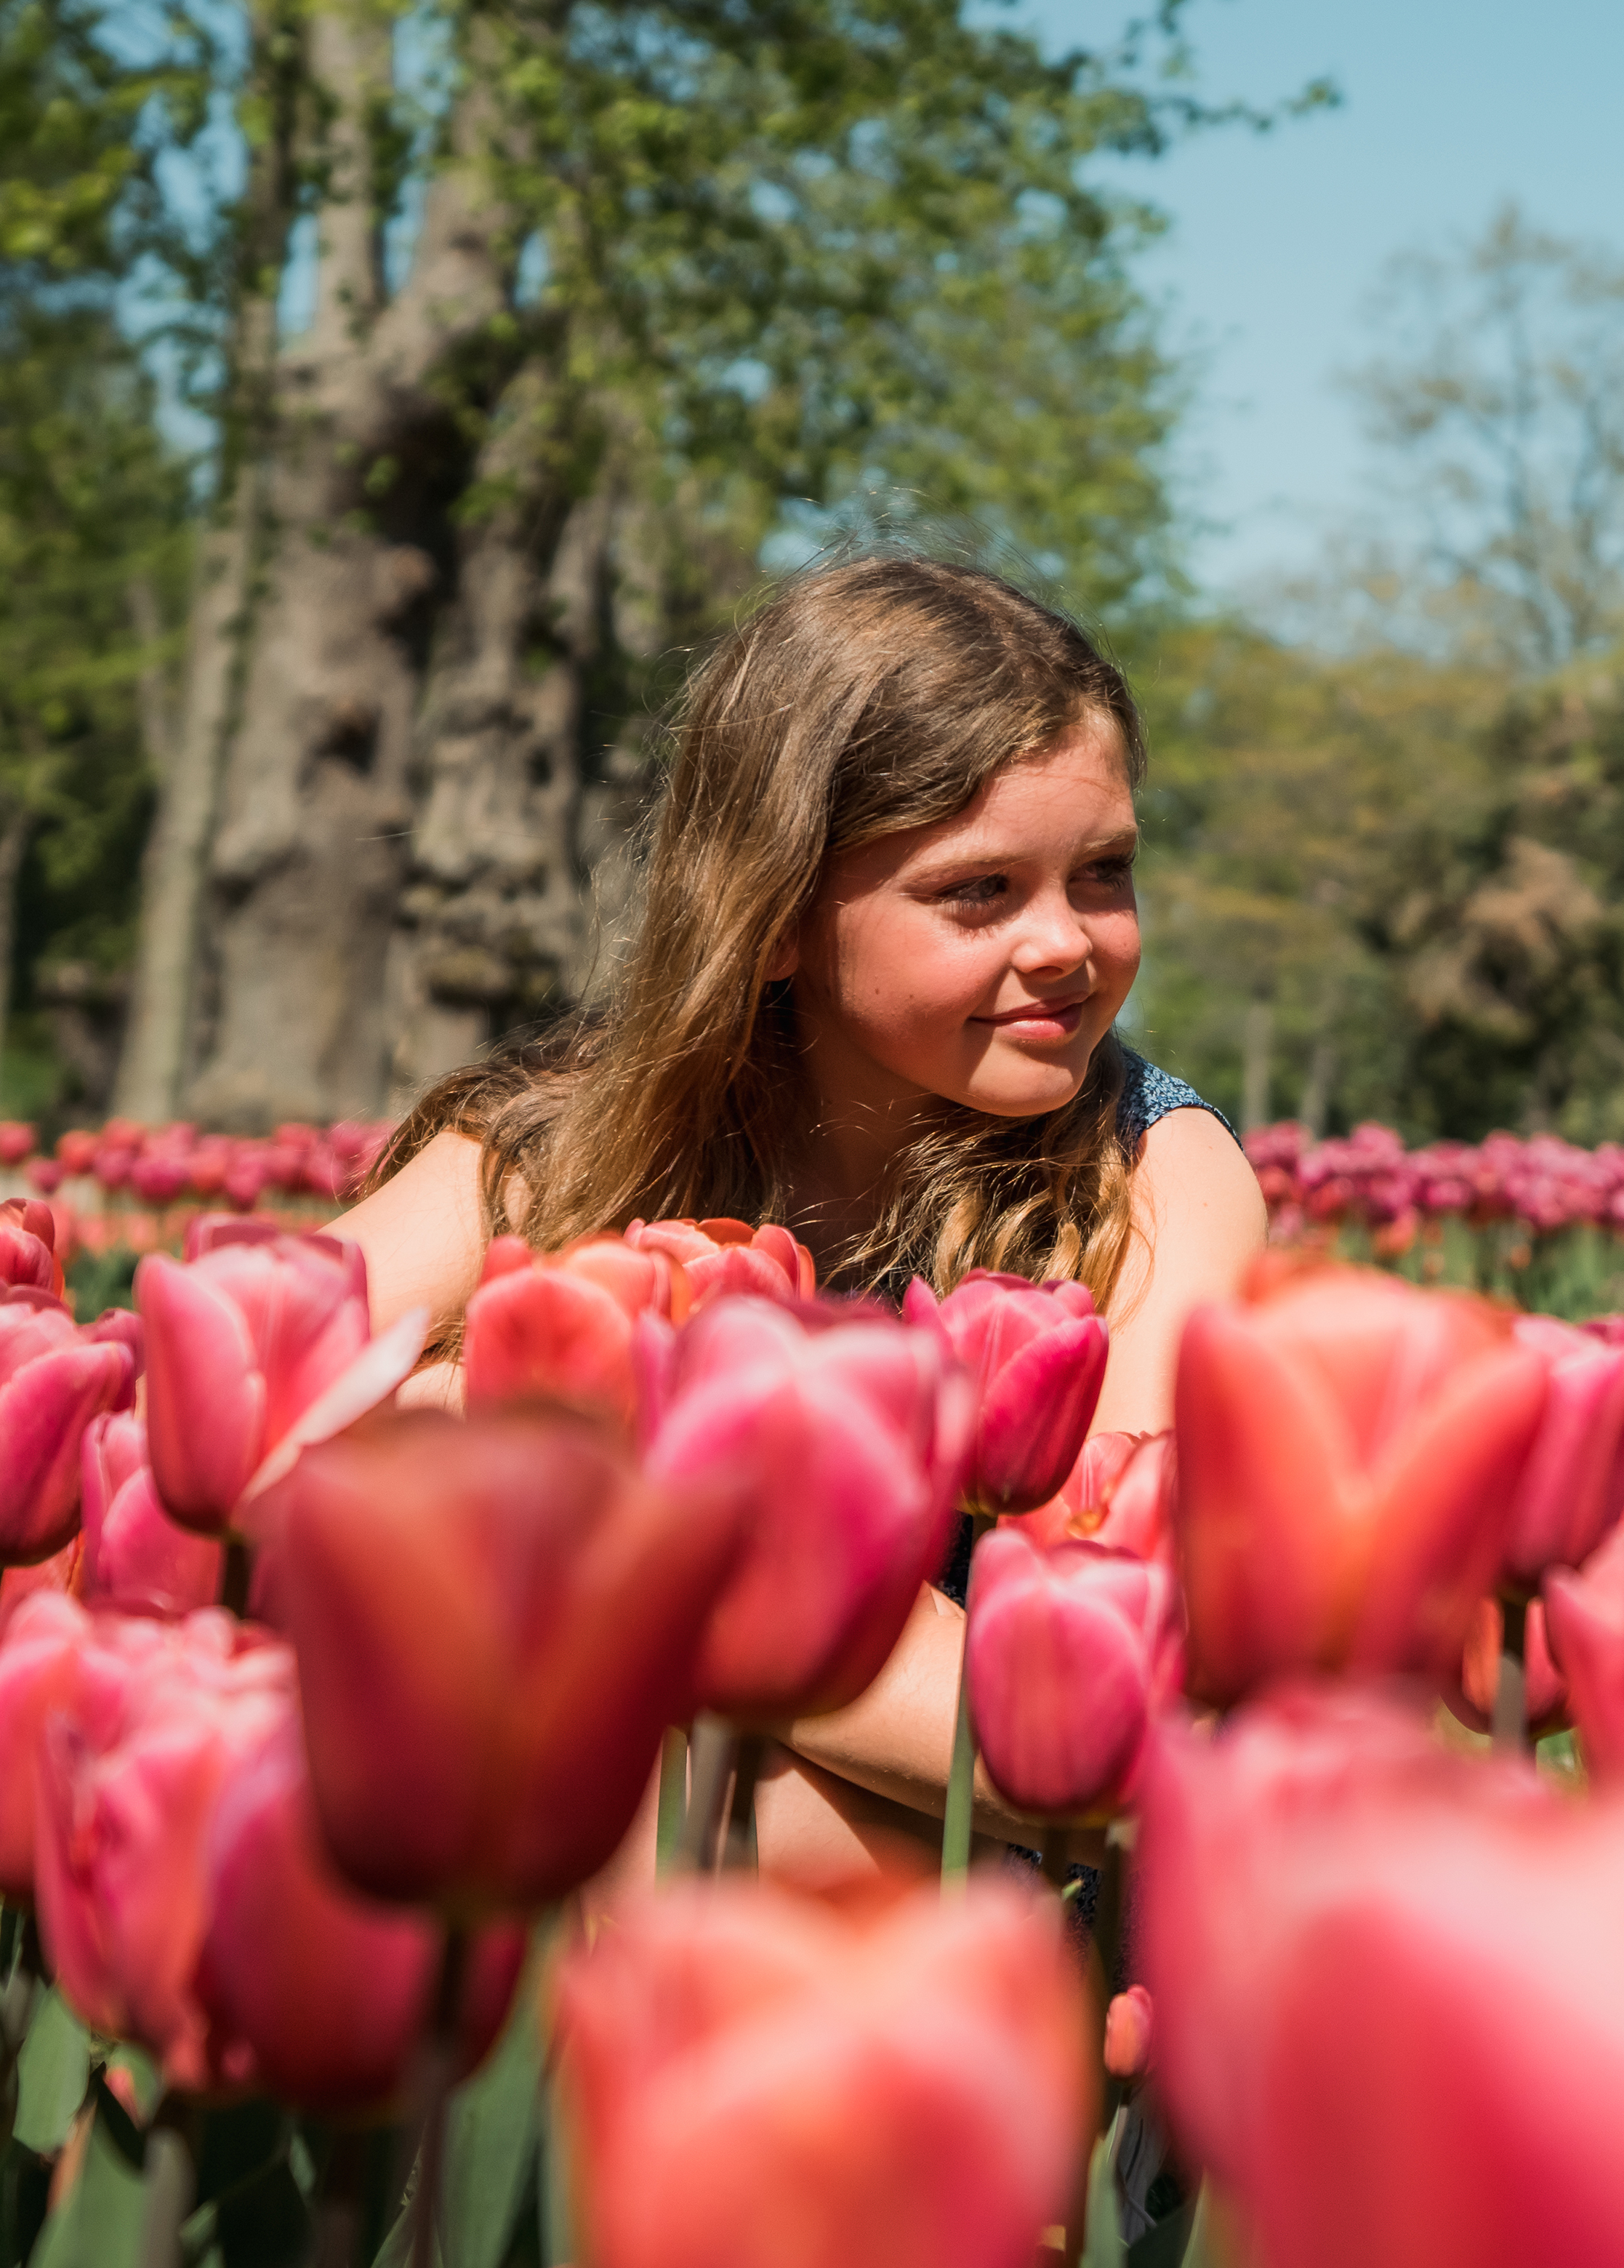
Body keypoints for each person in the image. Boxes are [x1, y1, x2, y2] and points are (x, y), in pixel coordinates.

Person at [330, 549, 1266, 1879]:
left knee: (684, 1800)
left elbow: (1088, 1709)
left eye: (1103, 872)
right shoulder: (583, 1132)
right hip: (665, 1767)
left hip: (987, 1858)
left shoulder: (1148, 1179)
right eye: (979, 890)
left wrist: (645, 1550)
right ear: (771, 916)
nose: (1067, 940)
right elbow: (232, 1400)